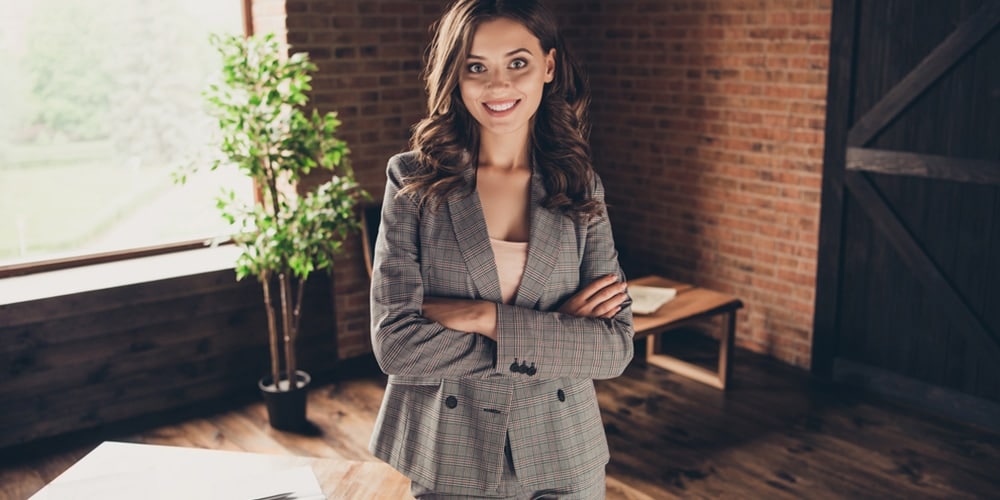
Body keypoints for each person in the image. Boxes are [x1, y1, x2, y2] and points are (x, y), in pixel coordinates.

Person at [368, 0, 634, 497]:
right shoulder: (412, 182)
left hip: (565, 457)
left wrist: (483, 317)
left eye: (518, 63)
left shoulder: (579, 186)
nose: (499, 86)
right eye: (476, 67)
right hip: (452, 455)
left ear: (548, 66)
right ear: (456, 75)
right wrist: (556, 332)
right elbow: (397, 346)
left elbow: (613, 347)